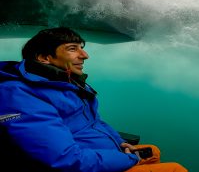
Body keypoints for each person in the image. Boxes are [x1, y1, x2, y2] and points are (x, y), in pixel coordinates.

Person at [0, 27, 188, 172]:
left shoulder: (66, 83)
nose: (85, 55)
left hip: (90, 154)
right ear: (44, 57)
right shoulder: (20, 95)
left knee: (153, 151)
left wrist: (119, 142)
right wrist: (129, 159)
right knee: (175, 169)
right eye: (72, 49)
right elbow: (65, 159)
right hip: (74, 165)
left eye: (82, 48)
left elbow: (93, 123)